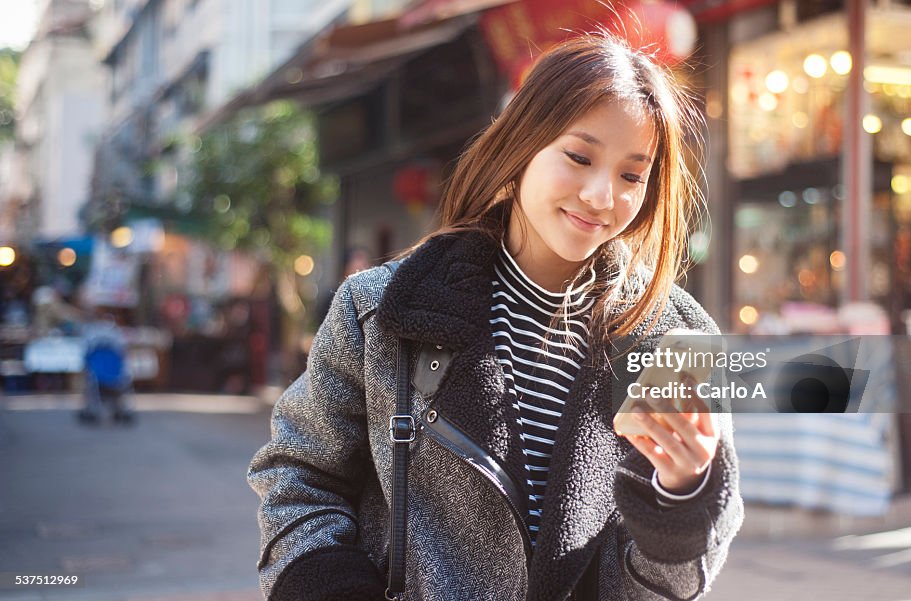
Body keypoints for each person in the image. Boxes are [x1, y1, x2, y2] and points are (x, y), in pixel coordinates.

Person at [247, 34, 744, 600]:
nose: (602, 195)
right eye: (579, 157)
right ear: (521, 148)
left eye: (632, 176)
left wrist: (681, 495)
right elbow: (300, 476)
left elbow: (664, 587)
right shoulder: (381, 311)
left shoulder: (674, 337)